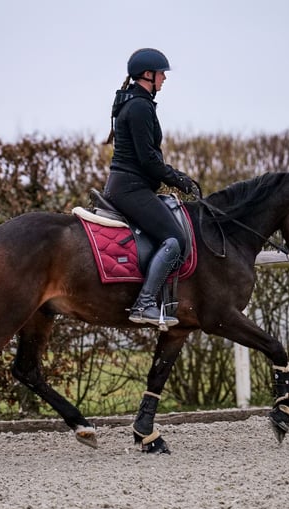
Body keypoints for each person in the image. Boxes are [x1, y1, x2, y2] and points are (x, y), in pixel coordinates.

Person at [104, 48, 200, 328]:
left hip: (129, 186)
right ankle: (144, 303)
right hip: (130, 188)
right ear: (148, 75)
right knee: (174, 239)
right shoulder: (139, 107)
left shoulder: (134, 103)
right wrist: (179, 179)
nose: (164, 80)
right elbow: (148, 160)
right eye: (161, 74)